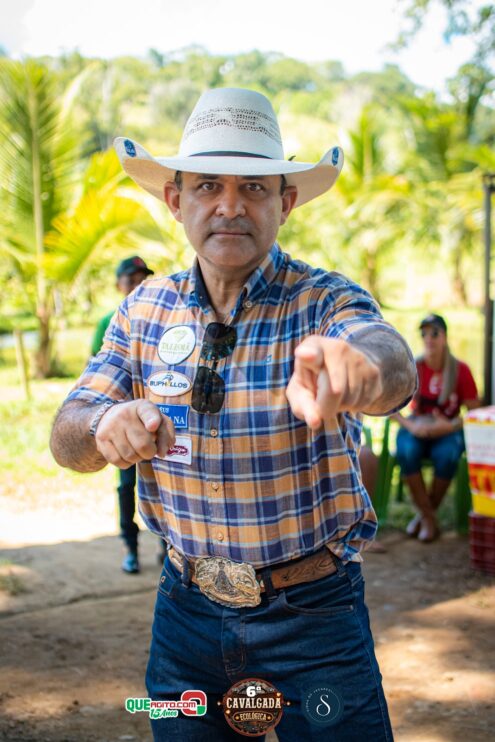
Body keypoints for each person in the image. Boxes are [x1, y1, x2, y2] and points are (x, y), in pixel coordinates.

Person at [50, 87, 416, 741]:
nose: (229, 206)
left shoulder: (323, 301)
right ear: (175, 200)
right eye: (207, 186)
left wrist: (360, 368)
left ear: (285, 201)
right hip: (183, 617)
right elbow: (67, 430)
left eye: (253, 187)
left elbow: (388, 361)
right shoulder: (142, 311)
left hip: (316, 618)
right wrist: (101, 426)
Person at [91, 256, 155, 573]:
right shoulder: (109, 321)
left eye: (143, 279)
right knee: (126, 487)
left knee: (164, 483)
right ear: (119, 285)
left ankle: (168, 548)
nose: (137, 285)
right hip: (124, 423)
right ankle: (130, 548)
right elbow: (96, 371)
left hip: (157, 418)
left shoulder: (161, 317)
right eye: (131, 280)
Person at [393, 313, 480, 543]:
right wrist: (411, 426)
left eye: (434, 333)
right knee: (407, 450)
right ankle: (429, 518)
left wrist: (449, 426)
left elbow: (474, 413)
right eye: (424, 334)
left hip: (447, 429)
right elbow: (391, 407)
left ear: (445, 337)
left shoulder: (460, 370)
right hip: (417, 426)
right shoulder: (414, 367)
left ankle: (424, 516)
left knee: (448, 454)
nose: (428, 339)